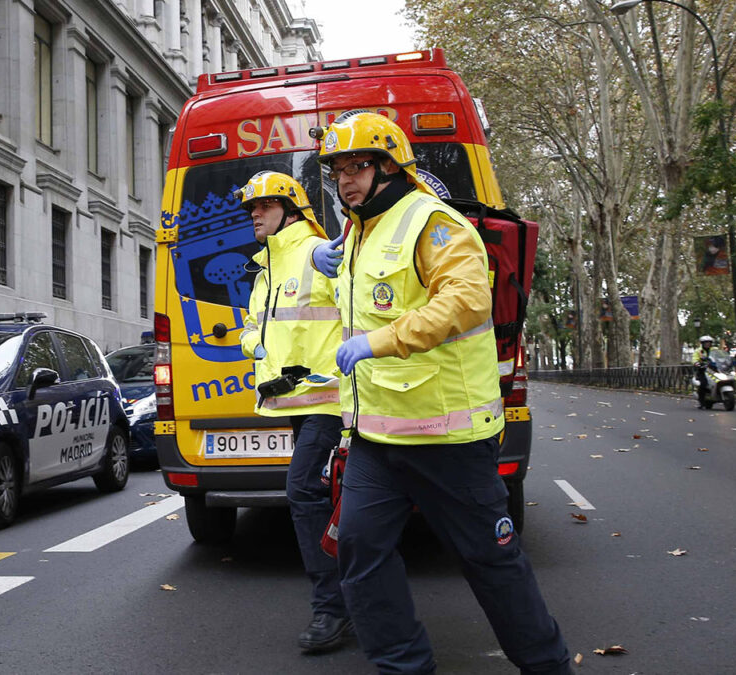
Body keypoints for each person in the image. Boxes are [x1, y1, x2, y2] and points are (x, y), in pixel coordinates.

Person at [312, 111, 572, 674]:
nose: (345, 181)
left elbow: (465, 301)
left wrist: (381, 341)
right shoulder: (358, 231)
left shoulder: (434, 223)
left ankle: (549, 667)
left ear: (390, 167)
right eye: (336, 171)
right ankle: (405, 667)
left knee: (490, 563)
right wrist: (314, 256)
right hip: (376, 437)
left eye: (358, 166)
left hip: (447, 434)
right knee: (359, 554)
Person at [235, 171, 352, 654]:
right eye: (251, 208)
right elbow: (253, 326)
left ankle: (333, 608)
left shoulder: (314, 255)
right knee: (338, 501)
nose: (255, 215)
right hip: (297, 404)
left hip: (332, 402)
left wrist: (338, 266)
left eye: (264, 205)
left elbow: (358, 310)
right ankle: (357, 595)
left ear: (292, 210)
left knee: (304, 490)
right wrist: (254, 346)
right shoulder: (267, 269)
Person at [693, 335, 716, 406]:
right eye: (706, 343)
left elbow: (721, 356)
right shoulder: (698, 351)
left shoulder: (714, 349)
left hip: (714, 369)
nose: (707, 344)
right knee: (703, 383)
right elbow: (694, 359)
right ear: (702, 343)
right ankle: (702, 401)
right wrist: (697, 363)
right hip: (703, 370)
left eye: (709, 342)